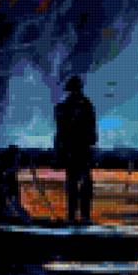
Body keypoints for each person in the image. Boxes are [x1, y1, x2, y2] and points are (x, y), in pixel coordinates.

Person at [54, 75, 97, 223]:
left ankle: (79, 216)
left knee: (81, 184)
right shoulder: (80, 106)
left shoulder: (80, 106)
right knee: (77, 184)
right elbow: (61, 132)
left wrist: (59, 153)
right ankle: (76, 216)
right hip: (75, 150)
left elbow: (60, 133)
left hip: (78, 150)